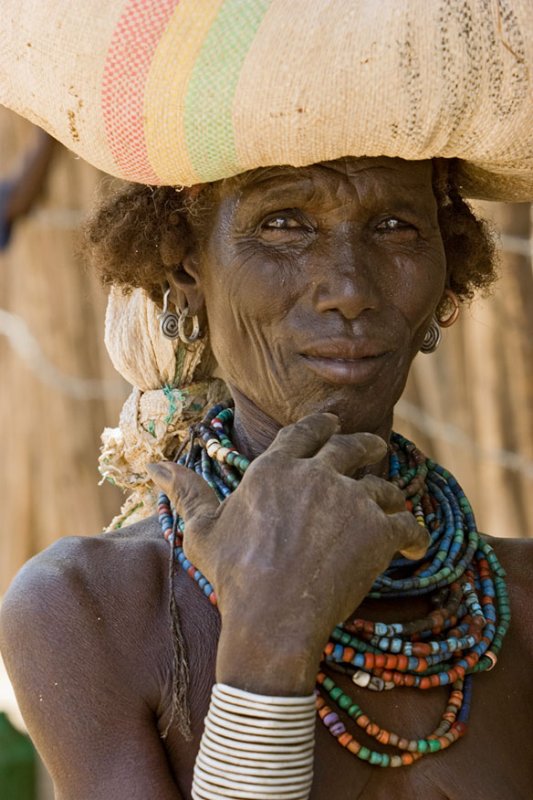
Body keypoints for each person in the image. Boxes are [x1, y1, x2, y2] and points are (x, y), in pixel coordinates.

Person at [1, 3, 532, 800]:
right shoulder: (86, 610)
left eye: (394, 227)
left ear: (447, 275)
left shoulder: (517, 605)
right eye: (284, 225)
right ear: (184, 268)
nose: (349, 289)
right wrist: (267, 644)